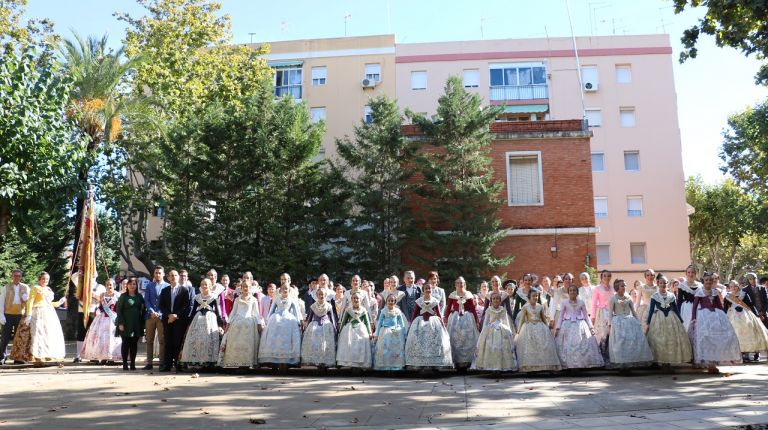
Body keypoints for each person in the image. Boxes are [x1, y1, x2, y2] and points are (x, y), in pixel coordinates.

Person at [9, 272, 66, 365]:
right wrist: (29, 315)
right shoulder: (35, 288)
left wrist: (58, 303)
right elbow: (30, 302)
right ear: (39, 279)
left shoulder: (48, 289)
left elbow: (48, 303)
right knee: (37, 335)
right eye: (43, 279)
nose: (45, 281)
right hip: (37, 313)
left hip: (48, 313)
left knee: (47, 335)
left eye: (47, 279)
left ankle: (45, 356)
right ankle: (35, 357)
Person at [689, 272, 742, 373]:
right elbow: (694, 306)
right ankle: (709, 364)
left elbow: (719, 305)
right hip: (704, 317)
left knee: (719, 337)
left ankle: (715, 362)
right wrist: (694, 319)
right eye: (706, 280)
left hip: (716, 316)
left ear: (713, 281)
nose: (708, 282)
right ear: (703, 281)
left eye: (710, 280)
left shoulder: (715, 292)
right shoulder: (699, 292)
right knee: (706, 338)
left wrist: (724, 317)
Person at [644, 274, 692, 366]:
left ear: (667, 284)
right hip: (658, 319)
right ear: (658, 284)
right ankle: (660, 361)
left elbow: (676, 309)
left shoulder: (671, 296)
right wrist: (648, 322)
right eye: (661, 283)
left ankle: (668, 363)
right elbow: (651, 311)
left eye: (664, 283)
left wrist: (681, 320)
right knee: (659, 340)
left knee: (671, 340)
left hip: (671, 318)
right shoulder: (655, 296)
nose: (663, 285)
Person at [554, 284, 604, 370]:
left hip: (580, 324)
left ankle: (580, 365)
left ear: (577, 292)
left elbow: (585, 315)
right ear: (568, 292)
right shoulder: (564, 302)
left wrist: (591, 328)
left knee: (581, 344)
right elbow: (561, 316)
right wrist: (558, 328)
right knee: (567, 345)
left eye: (574, 290)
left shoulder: (581, 302)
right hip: (567, 324)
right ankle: (568, 365)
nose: (572, 292)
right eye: (571, 290)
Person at [606, 279, 653, 369]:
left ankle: (629, 363)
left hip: (629, 321)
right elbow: (610, 313)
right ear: (617, 287)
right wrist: (610, 325)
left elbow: (634, 311)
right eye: (622, 286)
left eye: (625, 285)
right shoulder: (613, 298)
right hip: (618, 322)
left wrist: (638, 322)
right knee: (620, 343)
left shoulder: (628, 297)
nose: (624, 287)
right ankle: (622, 365)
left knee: (630, 342)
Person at [404, 283, 453, 370]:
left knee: (434, 342)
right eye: (426, 288)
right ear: (423, 290)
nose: (428, 290)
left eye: (429, 288)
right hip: (420, 324)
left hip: (433, 324)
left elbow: (438, 314)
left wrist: (443, 326)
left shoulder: (435, 301)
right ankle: (420, 363)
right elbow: (414, 314)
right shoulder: (419, 301)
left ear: (431, 290)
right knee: (420, 342)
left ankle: (434, 363)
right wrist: (411, 326)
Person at [258, 274, 302, 368]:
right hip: (277, 318)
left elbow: (296, 308)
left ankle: (288, 361)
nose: (283, 281)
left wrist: (299, 320)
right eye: (282, 279)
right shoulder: (277, 292)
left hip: (289, 319)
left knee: (288, 339)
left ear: (289, 280)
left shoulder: (292, 292)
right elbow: (273, 307)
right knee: (275, 337)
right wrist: (268, 320)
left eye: (285, 279)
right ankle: (274, 360)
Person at [218, 279, 262, 368]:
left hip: (249, 324)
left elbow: (256, 313)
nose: (246, 288)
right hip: (237, 323)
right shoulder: (237, 299)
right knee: (235, 342)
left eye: (248, 286)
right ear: (241, 288)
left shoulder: (254, 300)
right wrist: (228, 324)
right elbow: (233, 312)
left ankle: (246, 364)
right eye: (244, 286)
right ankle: (236, 362)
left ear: (251, 288)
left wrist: (259, 324)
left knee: (247, 344)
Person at [180, 279, 224, 368]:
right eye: (203, 284)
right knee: (196, 340)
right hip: (198, 320)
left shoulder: (214, 297)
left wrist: (220, 325)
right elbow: (193, 311)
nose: (204, 286)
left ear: (210, 286)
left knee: (209, 340)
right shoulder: (197, 297)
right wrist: (189, 323)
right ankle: (197, 360)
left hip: (210, 320)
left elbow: (218, 313)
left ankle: (209, 361)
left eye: (206, 284)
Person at [158, 269, 195, 372]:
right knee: (168, 342)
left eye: (175, 275)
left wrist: (176, 315)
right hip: (167, 320)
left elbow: (186, 306)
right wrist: (169, 315)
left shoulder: (184, 290)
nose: (173, 277)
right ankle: (167, 365)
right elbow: (161, 305)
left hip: (179, 320)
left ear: (178, 277)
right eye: (171, 275)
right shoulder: (164, 291)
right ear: (168, 278)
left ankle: (178, 364)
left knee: (177, 342)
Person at [515, 289, 561, 372]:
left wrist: (547, 328)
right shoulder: (525, 307)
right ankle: (531, 367)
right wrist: (518, 332)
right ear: (529, 297)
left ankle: (544, 366)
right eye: (533, 296)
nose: (535, 297)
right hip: (529, 328)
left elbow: (543, 318)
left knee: (543, 346)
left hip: (540, 327)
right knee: (530, 347)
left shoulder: (540, 306)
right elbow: (522, 320)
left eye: (536, 296)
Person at [724, 280, 768, 362]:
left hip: (745, 316)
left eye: (735, 286)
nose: (733, 288)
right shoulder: (727, 296)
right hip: (732, 316)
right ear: (729, 288)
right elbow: (725, 308)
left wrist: (757, 315)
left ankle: (746, 354)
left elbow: (750, 305)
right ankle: (738, 353)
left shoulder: (743, 294)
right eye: (731, 286)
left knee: (747, 332)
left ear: (738, 286)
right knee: (735, 333)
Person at [473, 292, 518, 372]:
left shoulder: (503, 310)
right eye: (494, 299)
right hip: (490, 329)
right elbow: (486, 322)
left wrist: (509, 332)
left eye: (497, 298)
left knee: (502, 347)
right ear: (491, 301)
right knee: (491, 347)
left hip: (502, 329)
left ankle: (501, 366)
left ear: (500, 301)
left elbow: (506, 322)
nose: (496, 300)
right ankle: (491, 366)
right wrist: (483, 333)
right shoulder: (488, 310)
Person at [80, 278, 122, 363]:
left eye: (111, 285)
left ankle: (111, 357)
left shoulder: (117, 295)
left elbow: (119, 308)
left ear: (114, 286)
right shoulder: (102, 295)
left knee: (112, 338)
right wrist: (98, 310)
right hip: (102, 319)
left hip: (113, 319)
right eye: (107, 284)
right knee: (101, 338)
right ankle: (102, 357)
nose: (109, 286)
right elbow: (100, 306)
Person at [444, 277, 480, 370]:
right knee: (455, 339)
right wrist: (446, 318)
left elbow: (472, 308)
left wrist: (476, 320)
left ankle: (468, 361)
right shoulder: (452, 295)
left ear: (465, 284)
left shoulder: (468, 294)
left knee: (468, 339)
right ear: (456, 284)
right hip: (455, 319)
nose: (460, 284)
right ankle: (456, 362)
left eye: (462, 283)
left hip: (468, 319)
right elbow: (448, 309)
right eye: (458, 283)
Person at [70, 271, 105, 363]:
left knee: (93, 334)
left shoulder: (100, 287)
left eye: (92, 275)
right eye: (89, 275)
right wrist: (80, 272)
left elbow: (103, 299)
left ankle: (93, 355)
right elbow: (73, 277)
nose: (91, 277)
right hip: (82, 310)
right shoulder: (81, 284)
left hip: (94, 312)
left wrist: (93, 295)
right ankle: (78, 355)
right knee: (81, 333)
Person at [300, 286, 337, 369]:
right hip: (315, 325)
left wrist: (334, 328)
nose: (321, 296)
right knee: (315, 343)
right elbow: (309, 317)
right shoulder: (313, 306)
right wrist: (306, 329)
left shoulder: (328, 306)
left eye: (323, 294)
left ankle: (324, 361)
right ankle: (317, 361)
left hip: (326, 326)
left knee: (325, 343)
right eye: (319, 294)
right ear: (317, 295)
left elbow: (332, 318)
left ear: (326, 295)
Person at [336, 292, 373, 369]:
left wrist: (369, 332)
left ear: (360, 300)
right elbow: (344, 321)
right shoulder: (348, 310)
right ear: (351, 300)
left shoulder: (363, 310)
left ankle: (359, 364)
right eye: (354, 298)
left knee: (360, 345)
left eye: (357, 298)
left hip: (360, 329)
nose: (356, 300)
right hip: (349, 330)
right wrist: (340, 331)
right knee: (350, 345)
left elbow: (366, 322)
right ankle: (350, 363)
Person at [372, 294, 409, 371]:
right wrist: (377, 333)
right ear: (386, 302)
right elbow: (379, 323)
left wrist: (403, 332)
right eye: (389, 300)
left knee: (395, 349)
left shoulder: (398, 311)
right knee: (386, 348)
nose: (390, 302)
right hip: (385, 331)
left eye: (392, 301)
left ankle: (395, 365)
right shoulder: (383, 311)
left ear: (395, 302)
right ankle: (385, 365)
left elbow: (401, 322)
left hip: (395, 331)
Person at [115, 277, 145, 370]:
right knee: (125, 343)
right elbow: (118, 310)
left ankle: (132, 363)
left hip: (136, 323)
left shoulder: (139, 296)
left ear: (136, 286)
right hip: (125, 323)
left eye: (134, 284)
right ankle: (125, 364)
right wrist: (120, 323)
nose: (132, 286)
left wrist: (143, 324)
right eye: (130, 284)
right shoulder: (123, 296)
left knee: (134, 344)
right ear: (127, 285)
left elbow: (143, 309)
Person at [0, 269, 29, 364]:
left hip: (20, 314)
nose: (17, 277)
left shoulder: (25, 287)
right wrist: (1, 315)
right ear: (12, 277)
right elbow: (1, 301)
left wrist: (26, 300)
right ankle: (2, 357)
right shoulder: (6, 287)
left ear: (21, 277)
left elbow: (30, 302)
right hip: (8, 314)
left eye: (18, 276)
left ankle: (18, 357)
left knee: (20, 338)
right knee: (5, 336)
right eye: (15, 276)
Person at [142, 266, 168, 370]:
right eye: (156, 273)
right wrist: (151, 311)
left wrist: (160, 313)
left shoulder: (167, 286)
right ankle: (149, 363)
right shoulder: (149, 286)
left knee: (162, 340)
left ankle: (162, 362)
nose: (157, 274)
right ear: (154, 274)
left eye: (159, 273)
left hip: (162, 317)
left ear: (163, 274)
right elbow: (146, 300)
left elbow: (167, 303)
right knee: (149, 340)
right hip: (150, 316)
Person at [591, 270, 614, 359]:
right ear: (601, 277)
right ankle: (600, 355)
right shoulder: (597, 288)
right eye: (604, 276)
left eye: (608, 276)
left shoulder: (613, 288)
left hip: (611, 312)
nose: (606, 278)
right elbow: (593, 303)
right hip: (601, 313)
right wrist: (593, 317)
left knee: (610, 333)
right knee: (601, 334)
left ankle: (608, 354)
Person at [678, 265, 702, 331]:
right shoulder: (682, 285)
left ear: (695, 273)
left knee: (698, 327)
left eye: (692, 272)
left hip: (699, 308)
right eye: (688, 272)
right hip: (686, 309)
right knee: (687, 326)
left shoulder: (700, 285)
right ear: (686, 273)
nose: (690, 274)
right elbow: (679, 301)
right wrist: (678, 314)